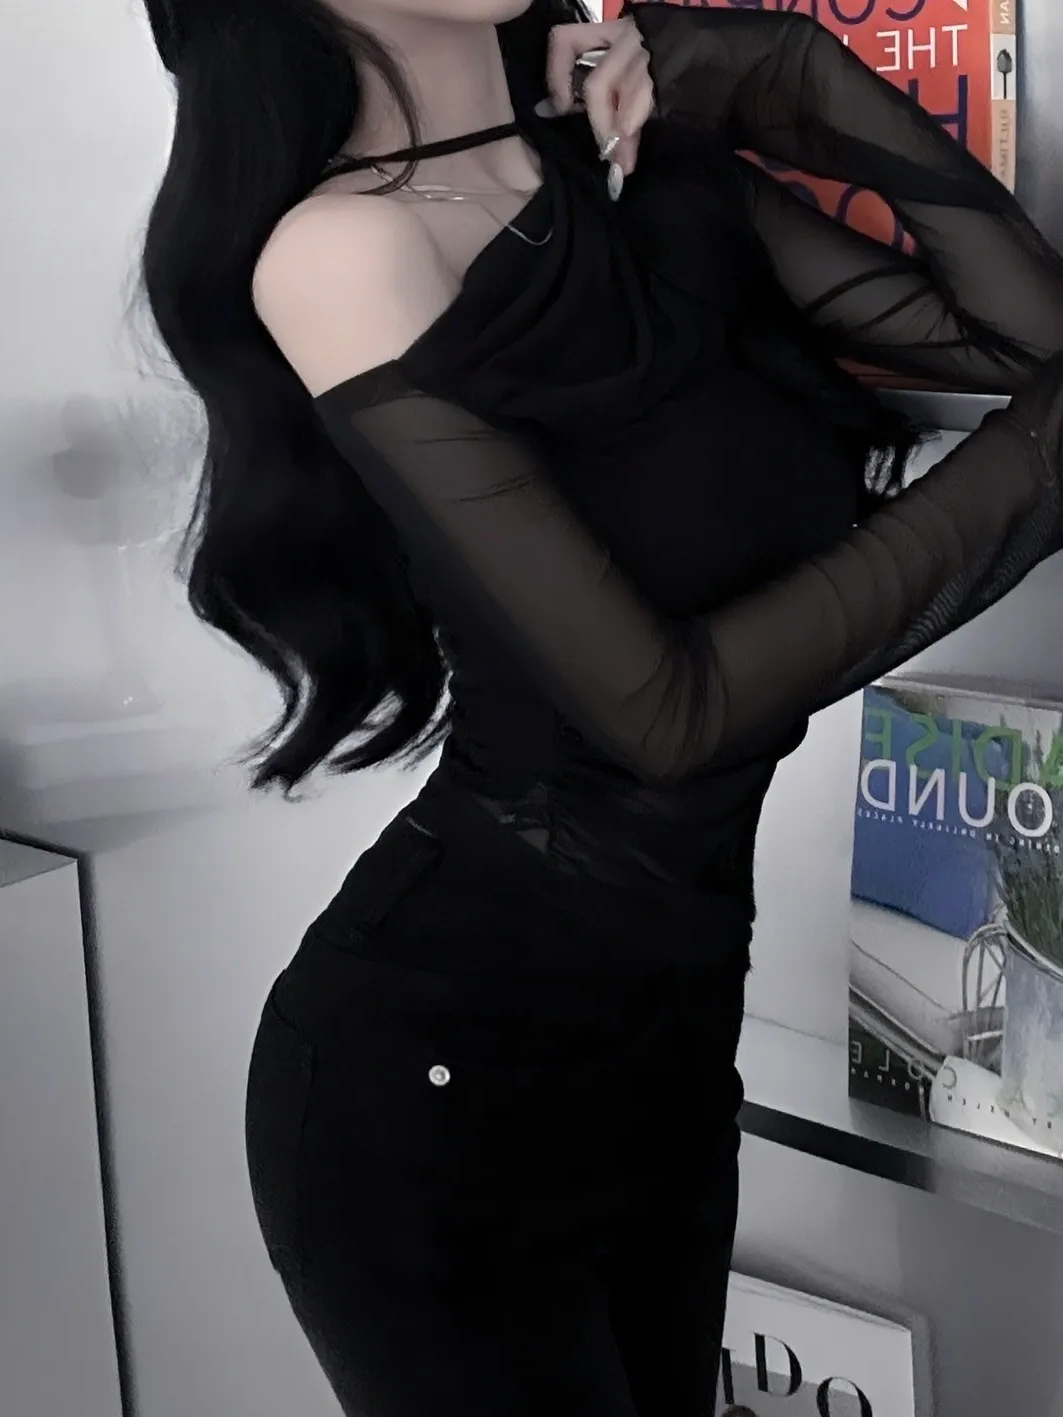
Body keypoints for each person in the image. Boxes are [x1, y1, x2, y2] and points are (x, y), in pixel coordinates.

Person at [138, 2, 1063, 1414]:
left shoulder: (637, 170)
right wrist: (1040, 465)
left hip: (672, 1060)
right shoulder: (347, 251)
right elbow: (664, 714)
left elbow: (1021, 338)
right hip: (445, 1087)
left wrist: (786, 70)